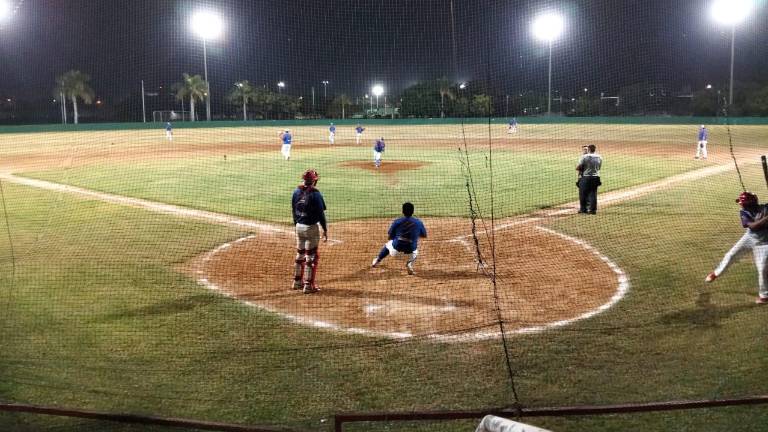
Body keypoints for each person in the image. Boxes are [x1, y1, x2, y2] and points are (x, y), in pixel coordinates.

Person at [705, 191, 768, 304]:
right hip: (749, 238)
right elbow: (752, 226)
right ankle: (716, 273)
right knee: (730, 255)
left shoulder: (765, 208)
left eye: (743, 202)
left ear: (750, 203)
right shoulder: (744, 212)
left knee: (762, 269)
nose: (741, 204)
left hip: (764, 244)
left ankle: (764, 296)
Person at [292, 169, 328, 294]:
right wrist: (325, 229)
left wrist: (296, 225)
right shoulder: (315, 194)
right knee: (311, 256)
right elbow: (320, 214)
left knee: (300, 254)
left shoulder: (296, 191)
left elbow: (293, 210)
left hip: (299, 227)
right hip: (310, 228)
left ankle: (297, 282)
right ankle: (308, 286)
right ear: (314, 181)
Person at [371, 202, 427, 275]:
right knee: (416, 250)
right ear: (413, 211)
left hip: (395, 253)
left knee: (388, 244)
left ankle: (377, 260)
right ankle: (409, 263)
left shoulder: (397, 221)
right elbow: (424, 235)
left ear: (402, 211)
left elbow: (390, 236)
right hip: (410, 254)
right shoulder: (418, 222)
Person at [577, 144, 602, 214]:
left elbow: (578, 167)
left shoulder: (584, 157)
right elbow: (599, 167)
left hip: (586, 178)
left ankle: (583, 210)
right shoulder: (599, 157)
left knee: (583, 194)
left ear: (589, 150)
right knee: (593, 194)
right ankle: (592, 210)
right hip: (596, 178)